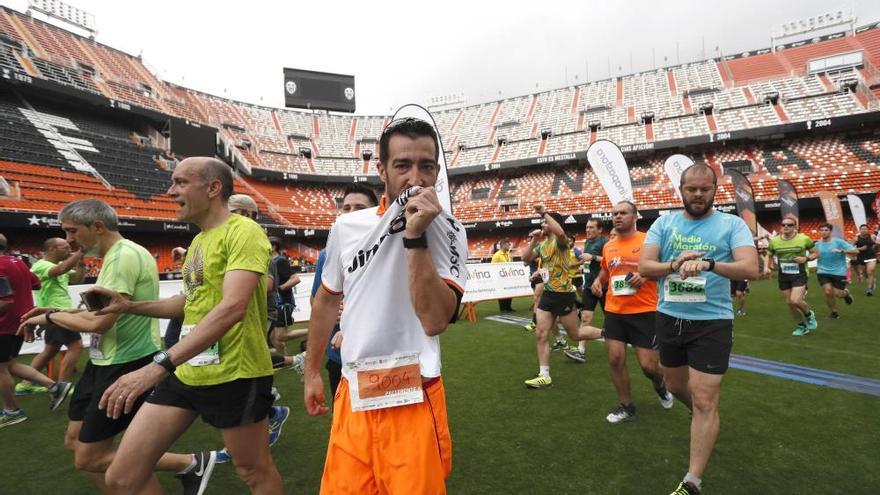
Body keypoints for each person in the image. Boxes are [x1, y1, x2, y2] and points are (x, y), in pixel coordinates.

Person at [80, 158, 283, 494]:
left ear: (213, 188)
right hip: (188, 370)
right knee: (121, 476)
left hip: (236, 373)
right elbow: (187, 304)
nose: (171, 191)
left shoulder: (244, 231)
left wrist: (159, 365)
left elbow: (232, 307)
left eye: (180, 182)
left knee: (252, 471)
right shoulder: (199, 242)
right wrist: (129, 305)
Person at [305, 117, 468, 494]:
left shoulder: (451, 231)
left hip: (414, 393)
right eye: (403, 165)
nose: (416, 178)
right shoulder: (348, 227)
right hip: (355, 389)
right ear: (382, 169)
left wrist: (415, 237)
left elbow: (434, 320)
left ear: (437, 171)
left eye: (426, 166)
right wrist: (312, 371)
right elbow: (327, 300)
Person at [16, 200, 206, 493]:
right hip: (105, 361)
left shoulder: (122, 258)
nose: (68, 239)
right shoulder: (122, 254)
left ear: (98, 226)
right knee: (75, 443)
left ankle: (189, 463)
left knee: (91, 456)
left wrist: (52, 316)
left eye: (72, 231)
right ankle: (187, 465)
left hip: (124, 363)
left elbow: (99, 324)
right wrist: (51, 312)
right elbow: (99, 314)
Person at [639, 164, 758, 495]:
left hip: (712, 322)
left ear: (714, 190)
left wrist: (709, 264)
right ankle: (704, 416)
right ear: (681, 189)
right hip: (669, 317)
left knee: (705, 399)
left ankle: (692, 480)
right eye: (691, 189)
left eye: (705, 189)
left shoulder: (731, 224)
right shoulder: (664, 223)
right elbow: (646, 267)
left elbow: (752, 267)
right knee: (676, 385)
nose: (698, 194)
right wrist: (674, 264)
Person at [586, 201, 672, 423]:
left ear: (635, 217)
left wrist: (645, 276)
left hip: (645, 310)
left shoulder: (649, 242)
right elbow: (606, 270)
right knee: (615, 359)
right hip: (614, 311)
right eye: (615, 213)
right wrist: (598, 281)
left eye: (623, 213)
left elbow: (667, 269)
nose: (617, 217)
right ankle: (626, 406)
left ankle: (661, 386)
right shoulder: (609, 246)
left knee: (648, 366)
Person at [309, 183, 380, 402]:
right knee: (347, 428)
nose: (351, 213)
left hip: (381, 358)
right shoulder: (327, 254)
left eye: (359, 208)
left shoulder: (391, 250)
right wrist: (335, 311)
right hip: (338, 356)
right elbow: (317, 301)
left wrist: (353, 316)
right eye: (346, 208)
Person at [521, 204, 602, 388]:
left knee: (575, 334)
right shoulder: (543, 245)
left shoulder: (561, 241)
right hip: (549, 295)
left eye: (545, 222)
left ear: (553, 223)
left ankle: (610, 334)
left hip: (564, 295)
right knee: (541, 334)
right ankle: (544, 375)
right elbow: (526, 259)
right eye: (542, 222)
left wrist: (544, 212)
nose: (542, 225)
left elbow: (559, 233)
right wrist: (533, 240)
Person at [0, 234, 72, 428]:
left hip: (3, 323)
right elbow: (36, 284)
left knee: (2, 369)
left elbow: (5, 302)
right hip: (21, 320)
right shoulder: (19, 262)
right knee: (10, 365)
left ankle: (12, 411)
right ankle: (55, 386)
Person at [17, 237, 85, 394]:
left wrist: (81, 262)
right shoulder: (41, 265)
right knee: (76, 346)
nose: (69, 250)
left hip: (55, 313)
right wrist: (81, 251)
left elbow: (77, 279)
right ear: (53, 249)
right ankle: (63, 385)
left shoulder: (59, 266)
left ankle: (25, 383)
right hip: (55, 313)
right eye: (65, 248)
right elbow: (60, 271)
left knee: (50, 350)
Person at [565, 218, 607, 363]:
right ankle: (580, 351)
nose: (588, 230)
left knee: (613, 320)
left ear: (600, 229)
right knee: (585, 317)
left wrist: (593, 257)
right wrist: (579, 264)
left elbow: (611, 261)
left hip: (604, 287)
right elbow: (587, 260)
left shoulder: (605, 242)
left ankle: (622, 339)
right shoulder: (588, 242)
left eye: (591, 227)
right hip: (589, 286)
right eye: (587, 227)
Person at [767, 218, 819, 336]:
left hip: (799, 274)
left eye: (789, 225)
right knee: (790, 304)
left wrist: (806, 258)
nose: (786, 227)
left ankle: (809, 314)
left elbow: (816, 253)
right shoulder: (774, 241)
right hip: (783, 275)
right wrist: (767, 266)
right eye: (783, 224)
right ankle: (801, 326)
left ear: (795, 226)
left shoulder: (804, 239)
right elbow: (769, 254)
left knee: (795, 300)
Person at [268, 237, 304, 355]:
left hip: (283, 303)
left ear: (273, 247)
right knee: (274, 337)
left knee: (281, 335)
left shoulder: (280, 261)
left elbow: (295, 278)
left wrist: (279, 289)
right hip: (276, 304)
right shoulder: (271, 262)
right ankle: (285, 361)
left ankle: (313, 332)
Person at [815, 223, 858, 319]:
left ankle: (846, 294)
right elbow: (814, 255)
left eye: (826, 230)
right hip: (823, 272)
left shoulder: (839, 242)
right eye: (822, 230)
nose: (824, 232)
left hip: (839, 272)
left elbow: (856, 251)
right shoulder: (817, 244)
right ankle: (834, 313)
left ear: (830, 231)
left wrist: (842, 251)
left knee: (838, 294)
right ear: (819, 232)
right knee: (827, 292)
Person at [851, 224, 876, 295]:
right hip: (861, 257)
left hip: (871, 256)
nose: (864, 230)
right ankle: (872, 281)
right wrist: (860, 248)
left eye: (865, 229)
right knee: (866, 274)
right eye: (862, 229)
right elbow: (850, 248)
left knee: (870, 272)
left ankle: (869, 289)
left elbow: (877, 243)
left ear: (868, 230)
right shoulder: (856, 238)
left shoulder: (872, 236)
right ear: (860, 230)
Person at [491, 238, 514, 312]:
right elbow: (492, 267)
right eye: (508, 244)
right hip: (500, 278)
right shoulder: (497, 255)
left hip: (508, 277)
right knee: (502, 293)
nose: (509, 246)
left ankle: (508, 307)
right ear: (503, 245)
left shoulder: (508, 254)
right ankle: (503, 308)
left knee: (510, 292)